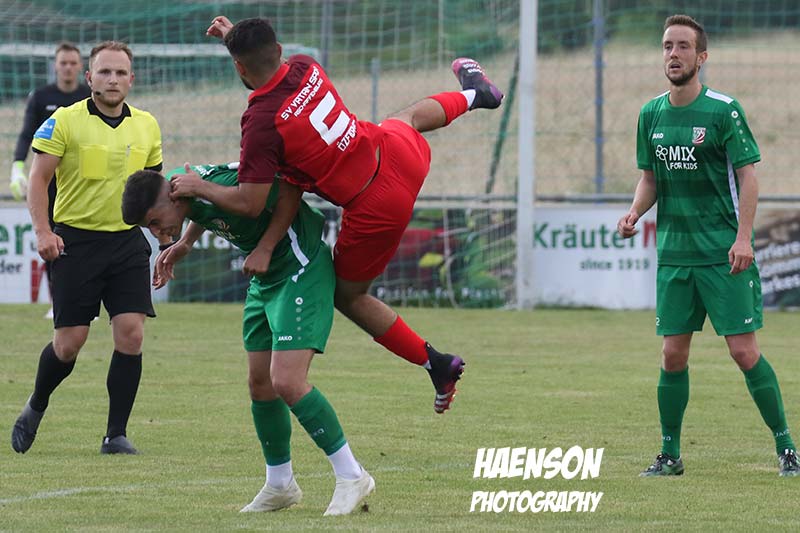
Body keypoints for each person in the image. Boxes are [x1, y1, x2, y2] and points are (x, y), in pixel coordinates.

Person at [170, 16, 504, 414]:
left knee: (348, 296)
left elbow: (250, 203)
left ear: (239, 67)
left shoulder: (261, 124)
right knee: (407, 119)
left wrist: (199, 187)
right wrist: (233, 38)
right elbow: (267, 68)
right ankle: (475, 94)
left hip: (375, 205)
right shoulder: (304, 66)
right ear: (279, 50)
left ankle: (436, 363)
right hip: (391, 151)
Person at [121, 163, 374, 515]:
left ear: (171, 196)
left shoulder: (205, 185)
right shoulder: (184, 190)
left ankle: (352, 475)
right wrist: (186, 243)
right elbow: (203, 205)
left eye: (153, 221)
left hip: (299, 267)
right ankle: (280, 484)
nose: (156, 232)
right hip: (265, 278)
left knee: (288, 381)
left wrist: (266, 247)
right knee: (260, 384)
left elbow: (288, 191)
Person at [617, 14, 799, 477]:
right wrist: (634, 213)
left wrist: (744, 238)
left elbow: (748, 177)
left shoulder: (724, 111)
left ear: (701, 57)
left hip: (723, 254)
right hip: (675, 256)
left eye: (682, 46)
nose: (673, 54)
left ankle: (787, 449)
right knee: (672, 356)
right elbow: (650, 178)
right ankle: (670, 455)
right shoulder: (650, 114)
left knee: (744, 352)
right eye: (667, 46)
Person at [10, 41, 164, 456]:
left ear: (132, 79)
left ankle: (115, 435)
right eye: (105, 72)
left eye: (121, 73)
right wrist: (43, 232)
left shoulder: (147, 125)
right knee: (68, 344)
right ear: (89, 77)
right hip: (75, 242)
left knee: (131, 333)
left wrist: (166, 240)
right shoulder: (64, 121)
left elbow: (153, 190)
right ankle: (36, 405)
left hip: (126, 243)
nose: (113, 80)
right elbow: (38, 179)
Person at [9, 42, 92, 319]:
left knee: (87, 240)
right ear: (55, 66)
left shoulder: (89, 96)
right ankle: (58, 301)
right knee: (51, 238)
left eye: (72, 63)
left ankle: (88, 300)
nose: (68, 67)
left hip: (83, 182)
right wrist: (17, 168)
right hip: (49, 184)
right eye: (63, 63)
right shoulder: (41, 97)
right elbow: (26, 134)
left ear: (80, 66)